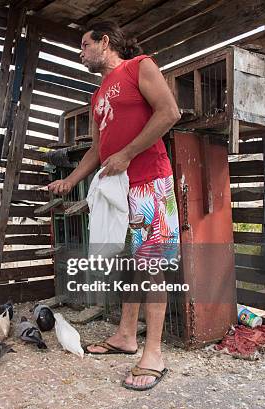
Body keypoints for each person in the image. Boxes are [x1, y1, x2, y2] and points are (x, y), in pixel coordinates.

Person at [47, 21, 181, 391]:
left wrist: (128, 153)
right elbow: (97, 148)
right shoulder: (98, 94)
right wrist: (71, 181)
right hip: (119, 188)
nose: (80, 52)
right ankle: (125, 336)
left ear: (105, 42)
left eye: (84, 45)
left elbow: (169, 113)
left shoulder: (140, 66)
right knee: (129, 263)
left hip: (149, 180)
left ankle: (153, 353)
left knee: (151, 266)